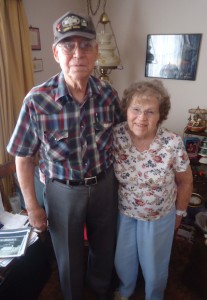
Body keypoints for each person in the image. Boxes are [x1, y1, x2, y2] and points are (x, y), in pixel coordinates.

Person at [7, 11, 123, 300]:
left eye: (85, 45)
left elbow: (123, 139)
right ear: (56, 53)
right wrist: (33, 206)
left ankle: (99, 289)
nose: (77, 53)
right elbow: (23, 157)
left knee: (104, 246)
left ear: (96, 51)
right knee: (68, 255)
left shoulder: (109, 94)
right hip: (61, 191)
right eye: (68, 45)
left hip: (104, 184)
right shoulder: (37, 100)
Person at [112, 80, 193, 300]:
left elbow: (185, 181)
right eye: (135, 109)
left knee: (154, 266)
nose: (141, 117)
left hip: (158, 215)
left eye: (150, 112)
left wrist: (179, 213)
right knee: (123, 259)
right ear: (126, 110)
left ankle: (153, 296)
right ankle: (126, 290)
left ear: (160, 115)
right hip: (125, 213)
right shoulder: (115, 136)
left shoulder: (172, 143)